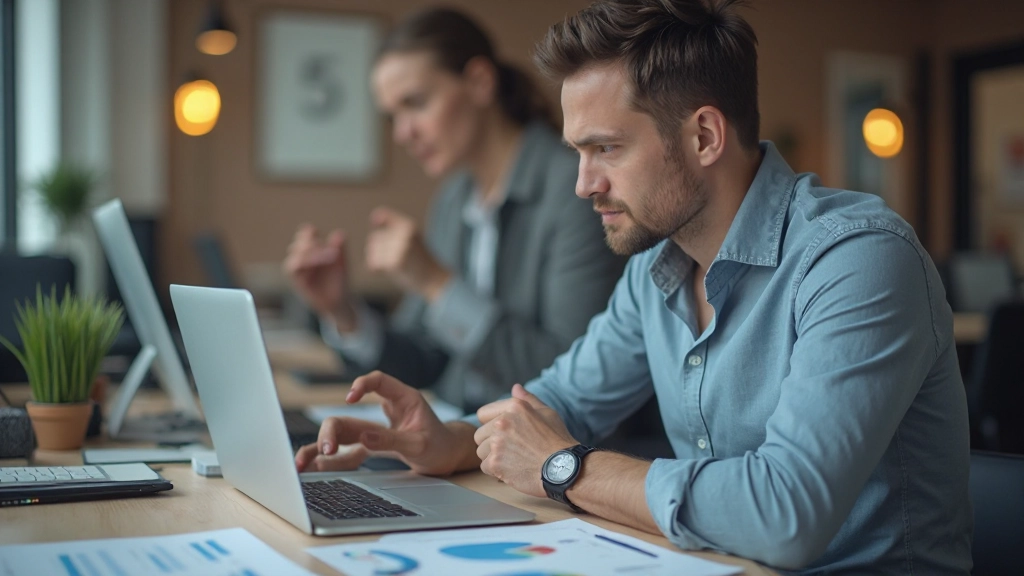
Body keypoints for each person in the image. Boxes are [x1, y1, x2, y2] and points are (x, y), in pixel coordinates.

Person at [296, 0, 972, 572]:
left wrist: (567, 467)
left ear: (704, 135)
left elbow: (785, 514)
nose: (583, 184)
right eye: (577, 153)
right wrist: (449, 440)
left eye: (606, 149)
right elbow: (559, 400)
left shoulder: (857, 258)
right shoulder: (658, 268)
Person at [284, 8, 624, 412]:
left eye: (416, 103)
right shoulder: (454, 197)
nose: (402, 133)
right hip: (466, 440)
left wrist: (435, 282)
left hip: (540, 454)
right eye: (393, 115)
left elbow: (573, 379)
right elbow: (424, 360)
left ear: (479, 82)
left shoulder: (576, 189)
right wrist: (343, 312)